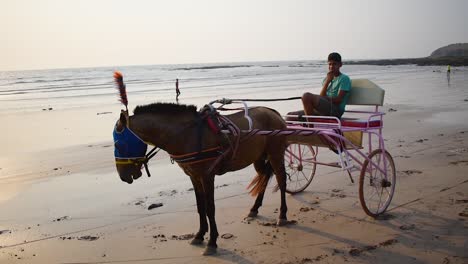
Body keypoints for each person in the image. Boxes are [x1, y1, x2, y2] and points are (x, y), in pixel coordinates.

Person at [301, 52, 351, 119]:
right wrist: (327, 81)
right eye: (330, 64)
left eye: (334, 64)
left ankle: (311, 126)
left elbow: (338, 100)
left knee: (306, 96)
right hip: (323, 109)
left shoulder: (344, 79)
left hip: (336, 111)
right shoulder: (326, 79)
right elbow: (321, 96)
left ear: (340, 65)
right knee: (290, 116)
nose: (331, 67)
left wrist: (323, 98)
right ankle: (309, 125)